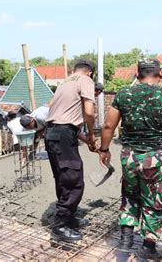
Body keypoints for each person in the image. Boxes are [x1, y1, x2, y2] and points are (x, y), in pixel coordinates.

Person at [99, 59, 162, 259]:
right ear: (160, 75)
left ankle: (126, 238)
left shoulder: (124, 95)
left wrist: (104, 149)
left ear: (137, 74)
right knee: (154, 200)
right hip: (155, 159)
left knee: (130, 195)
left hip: (130, 157)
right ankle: (148, 245)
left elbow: (108, 125)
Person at [44, 59, 97, 242]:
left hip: (53, 134)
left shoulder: (64, 83)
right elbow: (89, 113)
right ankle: (59, 227)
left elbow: (65, 121)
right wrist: (91, 135)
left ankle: (69, 219)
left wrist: (88, 141)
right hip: (63, 135)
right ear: (89, 72)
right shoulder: (86, 80)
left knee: (63, 178)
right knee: (73, 181)